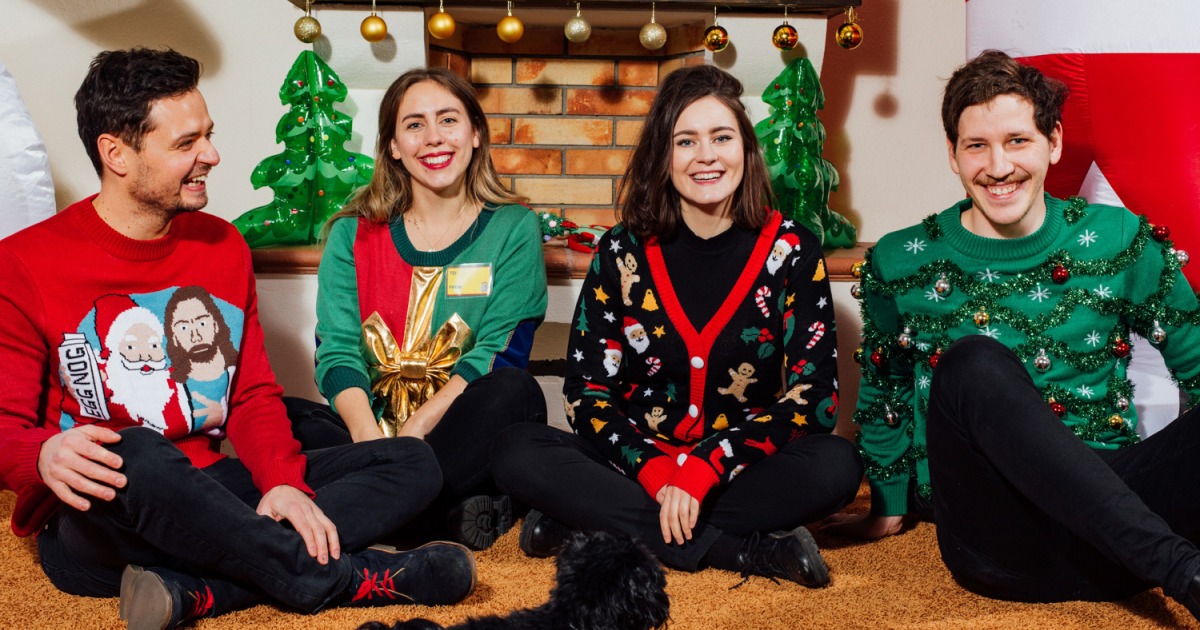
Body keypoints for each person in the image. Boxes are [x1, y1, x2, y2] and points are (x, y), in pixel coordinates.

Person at [0, 48, 476, 630]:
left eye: (208, 135)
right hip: (103, 511)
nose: (211, 155)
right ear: (116, 153)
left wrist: (282, 483)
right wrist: (41, 453)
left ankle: (206, 590)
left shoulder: (222, 246)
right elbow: (4, 424)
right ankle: (339, 578)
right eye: (186, 143)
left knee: (412, 462)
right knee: (136, 449)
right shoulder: (24, 262)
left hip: (215, 487)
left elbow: (250, 394)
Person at [834, 49, 1200, 616]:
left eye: (1017, 141)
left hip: (1118, 523)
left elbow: (1195, 358)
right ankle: (1183, 572)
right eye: (976, 146)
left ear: (1053, 142)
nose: (998, 166)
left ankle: (1172, 562)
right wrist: (887, 500)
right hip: (999, 539)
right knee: (972, 362)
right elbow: (887, 387)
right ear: (953, 154)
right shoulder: (902, 259)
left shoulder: (1118, 238)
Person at [491, 64, 862, 587]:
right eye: (685, 141)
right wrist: (657, 471)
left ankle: (593, 522)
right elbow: (586, 393)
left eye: (722, 137)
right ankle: (740, 550)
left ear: (746, 148)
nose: (706, 155)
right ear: (662, 157)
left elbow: (814, 399)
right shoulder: (620, 250)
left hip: (735, 467)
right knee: (516, 449)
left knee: (837, 465)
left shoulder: (793, 249)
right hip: (637, 462)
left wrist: (708, 464)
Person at [284, 67, 549, 552]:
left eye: (448, 120)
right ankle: (438, 517)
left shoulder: (514, 227)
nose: (433, 138)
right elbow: (337, 350)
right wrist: (373, 445)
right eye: (414, 125)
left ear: (474, 133)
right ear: (392, 146)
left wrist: (414, 435)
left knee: (515, 392)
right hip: (366, 431)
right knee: (281, 418)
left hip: (450, 431)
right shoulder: (350, 233)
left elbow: (500, 351)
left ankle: (364, 517)